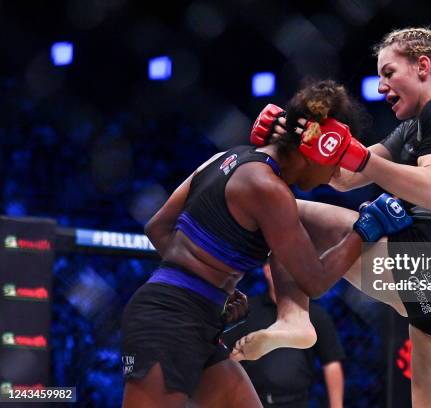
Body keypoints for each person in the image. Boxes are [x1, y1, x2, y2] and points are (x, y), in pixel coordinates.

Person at [248, 27, 431, 408]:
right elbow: (345, 178)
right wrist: (294, 139)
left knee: (282, 209)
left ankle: (294, 318)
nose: (381, 86)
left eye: (389, 72)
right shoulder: (414, 128)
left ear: (423, 66)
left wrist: (361, 158)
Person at [120, 79, 412, 408]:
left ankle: (293, 318)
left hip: (195, 315)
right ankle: (294, 318)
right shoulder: (268, 189)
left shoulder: (224, 159)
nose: (334, 176)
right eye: (335, 163)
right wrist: (365, 229)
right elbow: (314, 281)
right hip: (170, 319)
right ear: (316, 151)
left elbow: (158, 226)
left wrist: (214, 287)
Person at [224, 265, 345, 408]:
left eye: (291, 268)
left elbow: (332, 363)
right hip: (254, 399)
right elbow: (228, 357)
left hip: (297, 401)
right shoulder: (248, 311)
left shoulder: (317, 315)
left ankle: (290, 321)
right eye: (282, 267)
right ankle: (288, 322)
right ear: (267, 270)